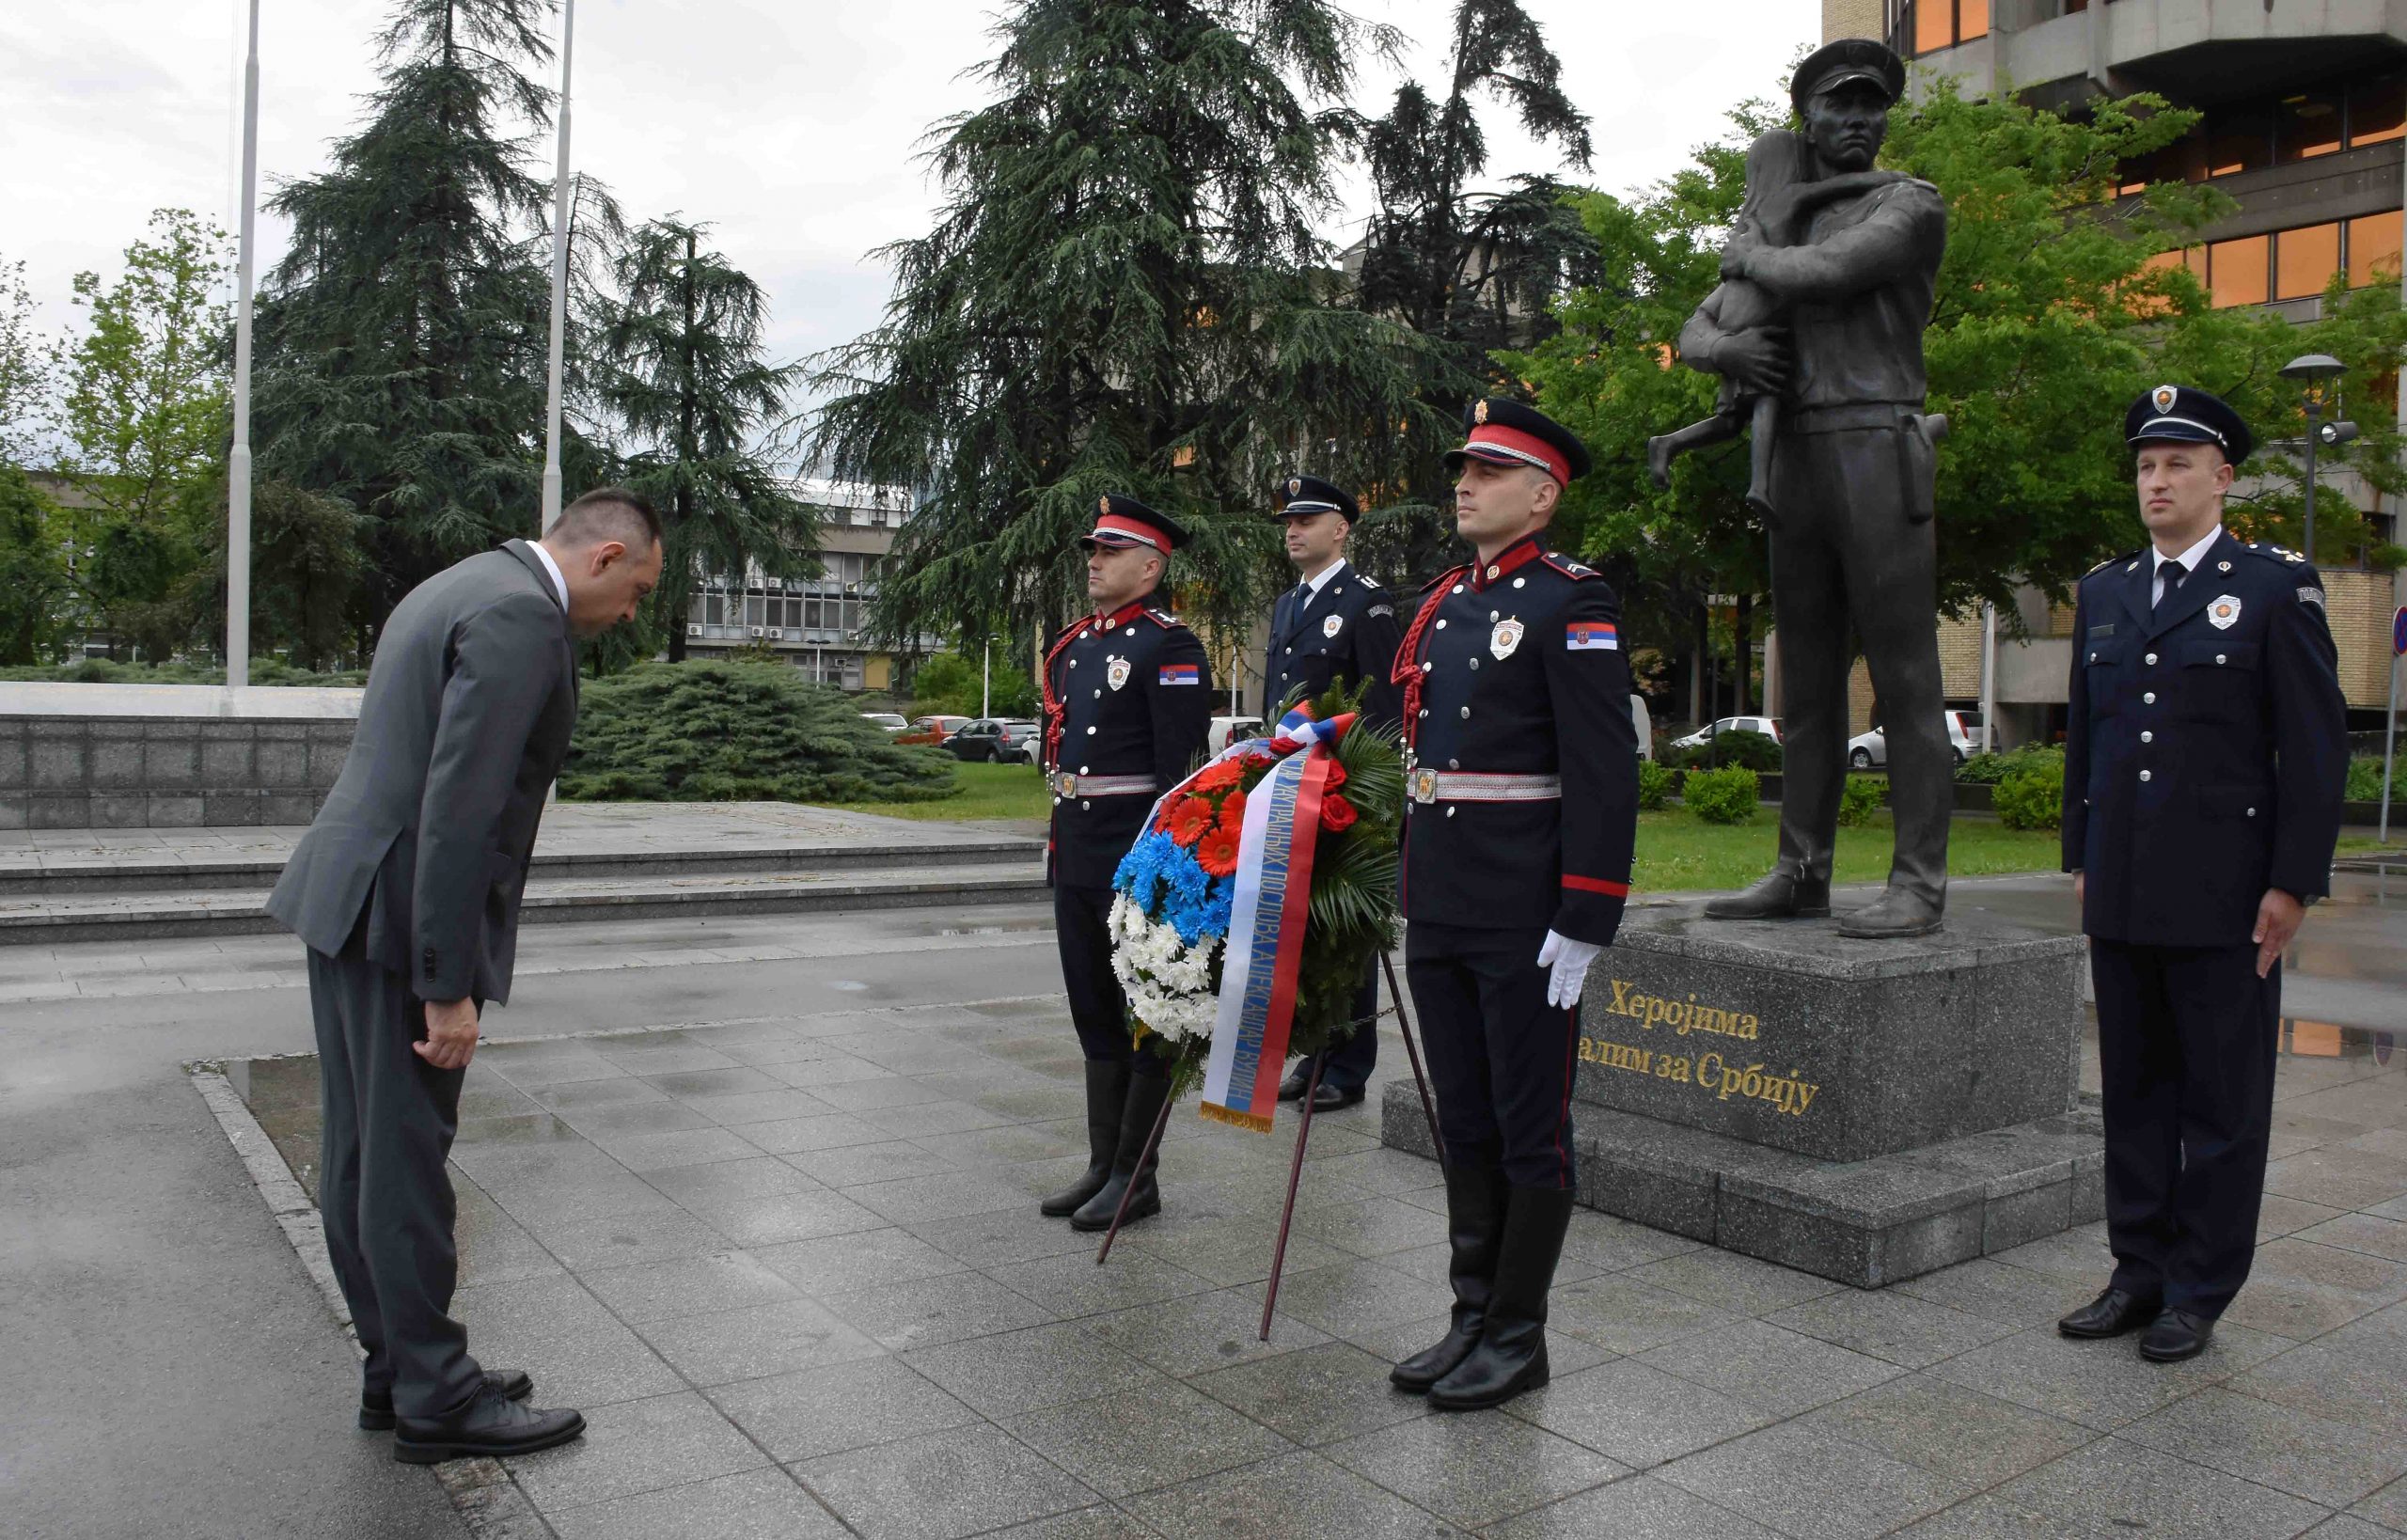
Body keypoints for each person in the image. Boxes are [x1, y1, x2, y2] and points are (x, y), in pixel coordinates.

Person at [264, 489, 663, 1463]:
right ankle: (437, 1399)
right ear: (606, 556)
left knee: (361, 1154)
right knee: (400, 1163)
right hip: (404, 919)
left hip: (348, 899)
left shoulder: (462, 584)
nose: (633, 615)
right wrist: (447, 984)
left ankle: (398, 1369)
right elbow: (462, 807)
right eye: (640, 591)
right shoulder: (523, 616)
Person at [2056, 386, 2347, 1362]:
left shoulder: (2271, 586)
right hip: (2125, 883)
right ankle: (2136, 1273)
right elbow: (2085, 747)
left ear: (2222, 478)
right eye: (2145, 464)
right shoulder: (2102, 591)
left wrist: (2292, 883)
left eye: (2177, 463)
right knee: (2133, 1092)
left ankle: (2198, 1288)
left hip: (2227, 893)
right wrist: (2078, 858)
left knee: (2219, 1103)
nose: (2156, 480)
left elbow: (2313, 750)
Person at [1386, 398, 1638, 1410]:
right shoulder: (1443, 603)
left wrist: (1585, 917)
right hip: (1440, 901)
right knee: (1465, 1120)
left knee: (1529, 1127)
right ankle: (1469, 1314)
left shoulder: (1572, 602)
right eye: (1463, 468)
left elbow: (1602, 771)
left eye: (1489, 472)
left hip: (1524, 914)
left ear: (1540, 496)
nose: (1465, 483)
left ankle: (1519, 1334)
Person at [1682, 38, 1956, 939]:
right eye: (1840, 107)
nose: (1858, 122)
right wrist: (1726, 349)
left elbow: (1827, 274)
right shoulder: (1782, 211)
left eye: (1871, 107)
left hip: (1878, 437)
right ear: (1808, 118)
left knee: (1905, 675)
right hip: (1794, 450)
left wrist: (1745, 250)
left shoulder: (1906, 203)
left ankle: (1918, 881)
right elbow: (1698, 326)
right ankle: (1801, 868)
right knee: (1805, 682)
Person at [1037, 495, 1214, 1232]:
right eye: (1092, 550)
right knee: (1092, 1014)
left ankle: (1136, 1177)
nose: (1094, 561)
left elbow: (1180, 774)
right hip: (1077, 848)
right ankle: (1103, 1163)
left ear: (1151, 565)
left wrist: (1167, 869)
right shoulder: (1078, 646)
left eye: (1110, 551)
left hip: (1135, 861)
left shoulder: (1170, 646)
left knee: (1146, 1016)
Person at [1646, 128, 1905, 519]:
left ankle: (1669, 443)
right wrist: (1884, 178)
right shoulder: (1786, 200)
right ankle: (1760, 485)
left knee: (1730, 420)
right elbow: (1836, 189)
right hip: (1757, 318)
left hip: (1738, 313)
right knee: (1768, 395)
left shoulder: (1749, 220)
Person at [1261, 473, 1402, 1111]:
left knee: (1347, 927)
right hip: (1291, 786)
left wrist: (1370, 799)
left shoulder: (1367, 602)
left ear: (1341, 528)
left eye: (1306, 520)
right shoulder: (1288, 606)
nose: (1292, 530)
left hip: (1343, 792)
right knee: (1305, 925)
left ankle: (1348, 1067)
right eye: (1289, 521)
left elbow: (1385, 711)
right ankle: (1315, 1051)